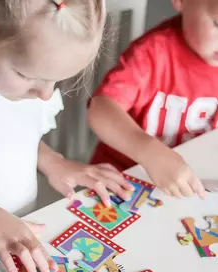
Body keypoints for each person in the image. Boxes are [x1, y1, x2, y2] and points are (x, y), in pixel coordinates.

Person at [0, 0, 134, 272]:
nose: (45, 94)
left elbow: (0, 137)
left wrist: (54, 162)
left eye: (56, 81)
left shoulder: (19, 77)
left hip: (10, 261)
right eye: (29, 76)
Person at [88, 0, 217, 200]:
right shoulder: (151, 53)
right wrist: (149, 152)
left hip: (188, 185)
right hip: (122, 180)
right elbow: (100, 109)